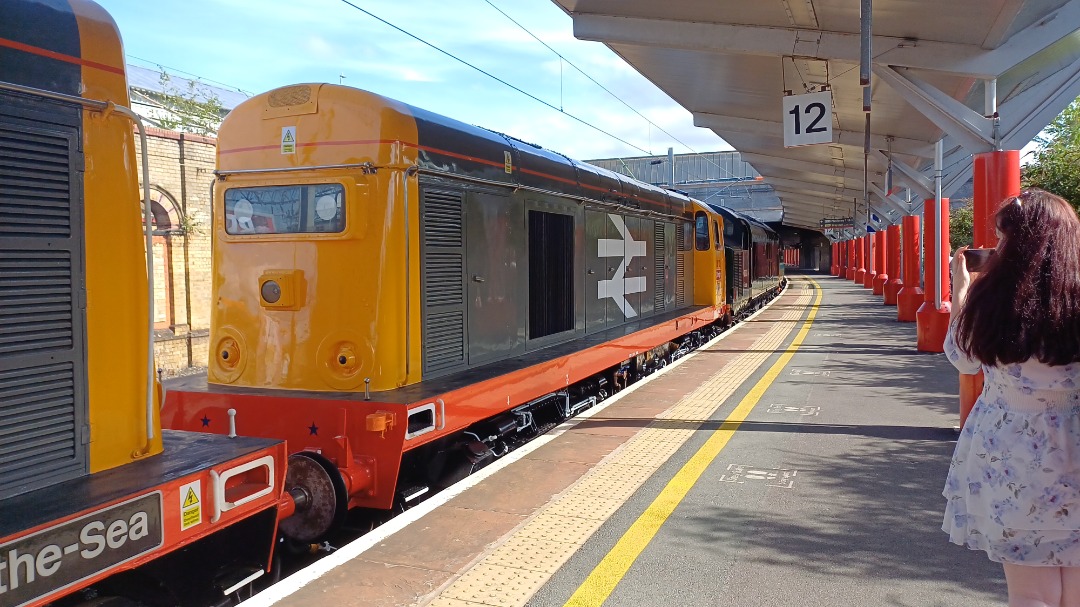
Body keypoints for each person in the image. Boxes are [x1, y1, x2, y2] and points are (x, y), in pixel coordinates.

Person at [943, 188, 1080, 607]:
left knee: (1032, 594)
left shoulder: (990, 304)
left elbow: (963, 361)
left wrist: (961, 288)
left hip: (1010, 456)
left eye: (1002, 240)